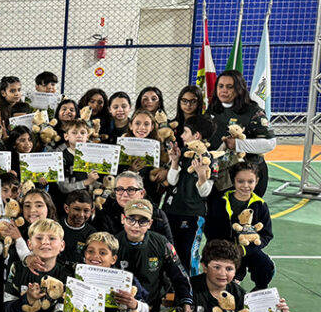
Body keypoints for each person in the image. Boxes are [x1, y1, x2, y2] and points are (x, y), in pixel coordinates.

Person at [205, 162, 275, 290]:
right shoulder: (219, 201)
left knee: (266, 266)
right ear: (233, 181)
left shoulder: (260, 205)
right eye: (240, 181)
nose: (245, 186)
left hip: (248, 250)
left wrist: (244, 250)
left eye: (250, 181)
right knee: (228, 286)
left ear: (257, 181)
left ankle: (258, 293)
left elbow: (266, 235)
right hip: (223, 252)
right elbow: (210, 231)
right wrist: (227, 250)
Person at [161, 114, 216, 270]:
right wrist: (174, 161)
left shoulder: (209, 159)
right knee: (170, 250)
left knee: (187, 251)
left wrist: (201, 175)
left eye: (185, 132)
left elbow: (204, 192)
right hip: (171, 210)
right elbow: (172, 181)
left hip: (192, 214)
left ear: (196, 135)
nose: (182, 136)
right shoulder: (182, 153)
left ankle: (190, 288)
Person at [207, 69, 275, 195]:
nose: (224, 90)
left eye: (229, 87)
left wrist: (238, 145)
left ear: (239, 89)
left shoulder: (253, 111)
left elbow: (270, 143)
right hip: (220, 173)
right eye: (220, 86)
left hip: (247, 175)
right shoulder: (213, 109)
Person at [93, 171, 174, 242]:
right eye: (120, 189)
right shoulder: (104, 214)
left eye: (131, 190)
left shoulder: (157, 215)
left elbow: (168, 249)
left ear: (142, 193)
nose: (124, 194)